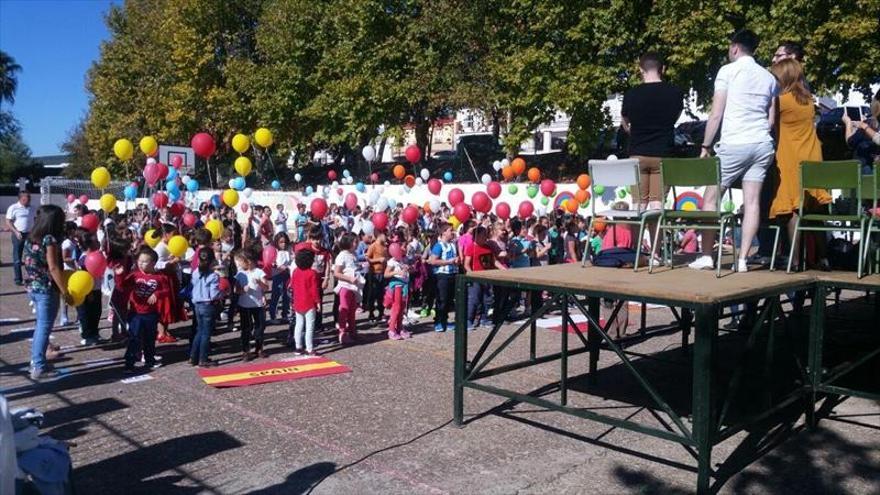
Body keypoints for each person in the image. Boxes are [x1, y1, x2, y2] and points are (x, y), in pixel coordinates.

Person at [691, 29, 778, 273]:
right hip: (761, 144)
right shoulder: (769, 78)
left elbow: (716, 113)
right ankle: (742, 260)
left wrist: (706, 146)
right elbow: (770, 120)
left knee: (711, 198)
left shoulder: (727, 72)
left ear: (735, 48)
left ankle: (707, 255)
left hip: (734, 143)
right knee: (752, 202)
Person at [768, 58, 832, 269]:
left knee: (793, 209)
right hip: (812, 155)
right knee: (814, 208)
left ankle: (795, 261)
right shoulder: (808, 101)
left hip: (789, 156)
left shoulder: (781, 101)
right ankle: (824, 257)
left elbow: (769, 124)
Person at [621, 52, 684, 216]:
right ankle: (656, 242)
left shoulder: (631, 94)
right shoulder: (675, 92)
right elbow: (674, 118)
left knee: (638, 206)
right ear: (663, 68)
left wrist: (633, 131)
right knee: (657, 205)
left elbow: (625, 122)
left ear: (641, 69)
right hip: (663, 154)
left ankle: (637, 241)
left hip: (637, 153)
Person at [22, 205, 71, 380]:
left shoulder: (32, 237)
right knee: (44, 327)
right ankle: (38, 365)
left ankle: (37, 362)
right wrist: (65, 291)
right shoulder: (49, 239)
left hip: (33, 286)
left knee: (40, 326)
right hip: (45, 288)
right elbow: (53, 267)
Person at [121, 246, 169, 373]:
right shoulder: (134, 275)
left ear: (153, 263)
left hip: (151, 314)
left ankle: (149, 359)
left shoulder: (160, 277)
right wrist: (120, 275)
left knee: (149, 338)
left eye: (144, 261)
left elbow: (166, 290)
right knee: (134, 337)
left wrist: (157, 294)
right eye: (139, 261)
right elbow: (122, 286)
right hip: (135, 313)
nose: (141, 264)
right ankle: (129, 363)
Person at [464, 226, 506, 330]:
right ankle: (469, 320)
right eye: (483, 235)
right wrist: (471, 274)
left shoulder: (488, 247)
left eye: (485, 235)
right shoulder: (471, 247)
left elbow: (494, 261)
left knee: (487, 299)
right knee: (474, 299)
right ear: (477, 236)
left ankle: (485, 319)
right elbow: (466, 264)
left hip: (487, 277)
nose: (485, 237)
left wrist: (503, 269)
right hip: (476, 278)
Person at [233, 250, 270, 360]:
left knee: (260, 327)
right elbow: (235, 290)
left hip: (258, 305)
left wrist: (260, 283)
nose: (239, 264)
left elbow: (266, 287)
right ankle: (246, 350)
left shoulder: (259, 272)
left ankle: (259, 348)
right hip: (244, 305)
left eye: (241, 262)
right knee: (246, 328)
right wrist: (242, 290)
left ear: (248, 262)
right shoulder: (240, 274)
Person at [189, 248, 221, 367]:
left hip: (197, 304)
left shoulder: (196, 272)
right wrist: (223, 293)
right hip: (208, 304)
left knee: (199, 331)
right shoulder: (213, 276)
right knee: (206, 333)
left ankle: (193, 357)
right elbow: (214, 295)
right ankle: (203, 359)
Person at [333, 233, 363, 344]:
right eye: (355, 242)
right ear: (348, 242)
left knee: (352, 310)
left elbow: (353, 267)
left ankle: (352, 331)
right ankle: (342, 332)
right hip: (345, 286)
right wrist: (349, 278)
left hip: (353, 287)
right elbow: (336, 273)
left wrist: (361, 267)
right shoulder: (342, 255)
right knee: (344, 308)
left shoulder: (353, 254)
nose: (357, 244)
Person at [428, 224, 458, 332]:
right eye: (450, 230)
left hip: (452, 274)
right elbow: (432, 260)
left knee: (449, 300)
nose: (452, 232)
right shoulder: (438, 246)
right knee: (442, 299)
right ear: (444, 232)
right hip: (442, 276)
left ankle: (445, 321)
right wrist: (447, 262)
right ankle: (438, 321)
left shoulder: (453, 245)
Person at [842, 89, 880, 173]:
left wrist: (848, 124)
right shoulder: (869, 123)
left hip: (867, 173)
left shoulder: (869, 124)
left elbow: (850, 142)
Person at [76, 232, 103, 346]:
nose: (98, 243)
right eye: (96, 241)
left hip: (96, 288)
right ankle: (87, 335)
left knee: (96, 312)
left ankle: (94, 332)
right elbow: (84, 276)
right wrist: (89, 292)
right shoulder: (84, 258)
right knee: (86, 313)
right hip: (87, 290)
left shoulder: (97, 255)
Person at [291, 249, 320, 355]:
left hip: (298, 302)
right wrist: (318, 302)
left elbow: (292, 285)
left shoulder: (295, 271)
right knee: (309, 327)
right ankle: (309, 348)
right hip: (309, 303)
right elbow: (314, 290)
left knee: (298, 325)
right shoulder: (312, 273)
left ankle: (298, 347)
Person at [384, 243, 412, 340]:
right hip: (397, 286)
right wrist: (396, 272)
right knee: (397, 307)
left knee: (402, 308)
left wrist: (408, 268)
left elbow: (409, 270)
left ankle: (399, 327)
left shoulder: (402, 260)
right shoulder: (391, 262)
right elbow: (386, 274)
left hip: (404, 285)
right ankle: (391, 329)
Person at [6, 192, 33, 286]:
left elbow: (35, 219)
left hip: (30, 235)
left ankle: (31, 277)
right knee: (17, 258)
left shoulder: (31, 208)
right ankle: (18, 279)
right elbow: (8, 221)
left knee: (30, 257)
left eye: (29, 198)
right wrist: (16, 232)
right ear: (21, 199)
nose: (29, 200)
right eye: (27, 198)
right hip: (18, 235)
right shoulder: (13, 208)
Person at [365, 230, 389, 322]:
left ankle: (381, 313)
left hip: (382, 273)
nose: (386, 237)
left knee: (381, 294)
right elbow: (368, 258)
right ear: (379, 235)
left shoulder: (384, 247)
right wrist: (378, 260)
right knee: (372, 294)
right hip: (374, 273)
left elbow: (387, 258)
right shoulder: (373, 246)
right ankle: (371, 314)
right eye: (385, 235)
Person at [268, 232, 292, 323]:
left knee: (287, 295)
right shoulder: (275, 251)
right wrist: (279, 266)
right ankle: (273, 316)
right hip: (277, 275)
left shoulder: (288, 250)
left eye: (285, 242)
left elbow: (291, 261)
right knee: (276, 295)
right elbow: (272, 263)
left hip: (287, 274)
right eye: (281, 242)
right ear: (277, 243)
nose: (283, 244)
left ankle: (285, 314)